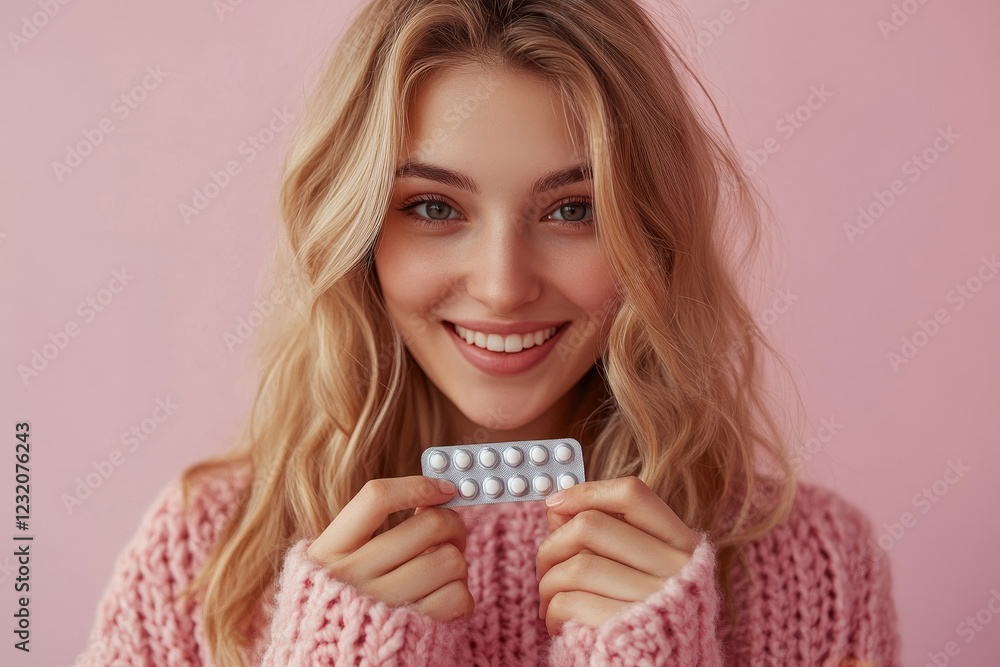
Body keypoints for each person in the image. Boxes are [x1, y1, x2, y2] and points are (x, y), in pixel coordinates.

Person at [79, 0, 901, 665]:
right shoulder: (203, 560)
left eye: (572, 209)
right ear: (357, 235)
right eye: (434, 207)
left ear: (652, 235)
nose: (504, 287)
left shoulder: (810, 565)